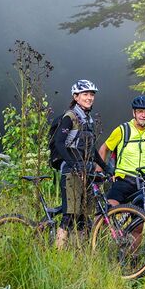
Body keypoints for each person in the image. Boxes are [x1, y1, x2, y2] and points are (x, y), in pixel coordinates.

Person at [52, 79, 105, 243]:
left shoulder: (88, 120)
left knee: (83, 217)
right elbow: (58, 143)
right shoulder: (70, 117)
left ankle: (80, 255)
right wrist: (72, 164)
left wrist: (106, 167)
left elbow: (91, 150)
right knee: (69, 215)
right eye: (85, 94)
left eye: (91, 94)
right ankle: (57, 255)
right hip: (72, 172)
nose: (89, 98)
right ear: (76, 97)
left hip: (86, 171)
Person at [99, 95, 145, 207]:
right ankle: (98, 224)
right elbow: (104, 149)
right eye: (140, 111)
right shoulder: (123, 129)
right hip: (123, 180)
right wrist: (99, 172)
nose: (143, 115)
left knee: (140, 221)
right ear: (134, 113)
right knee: (108, 210)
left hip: (144, 183)